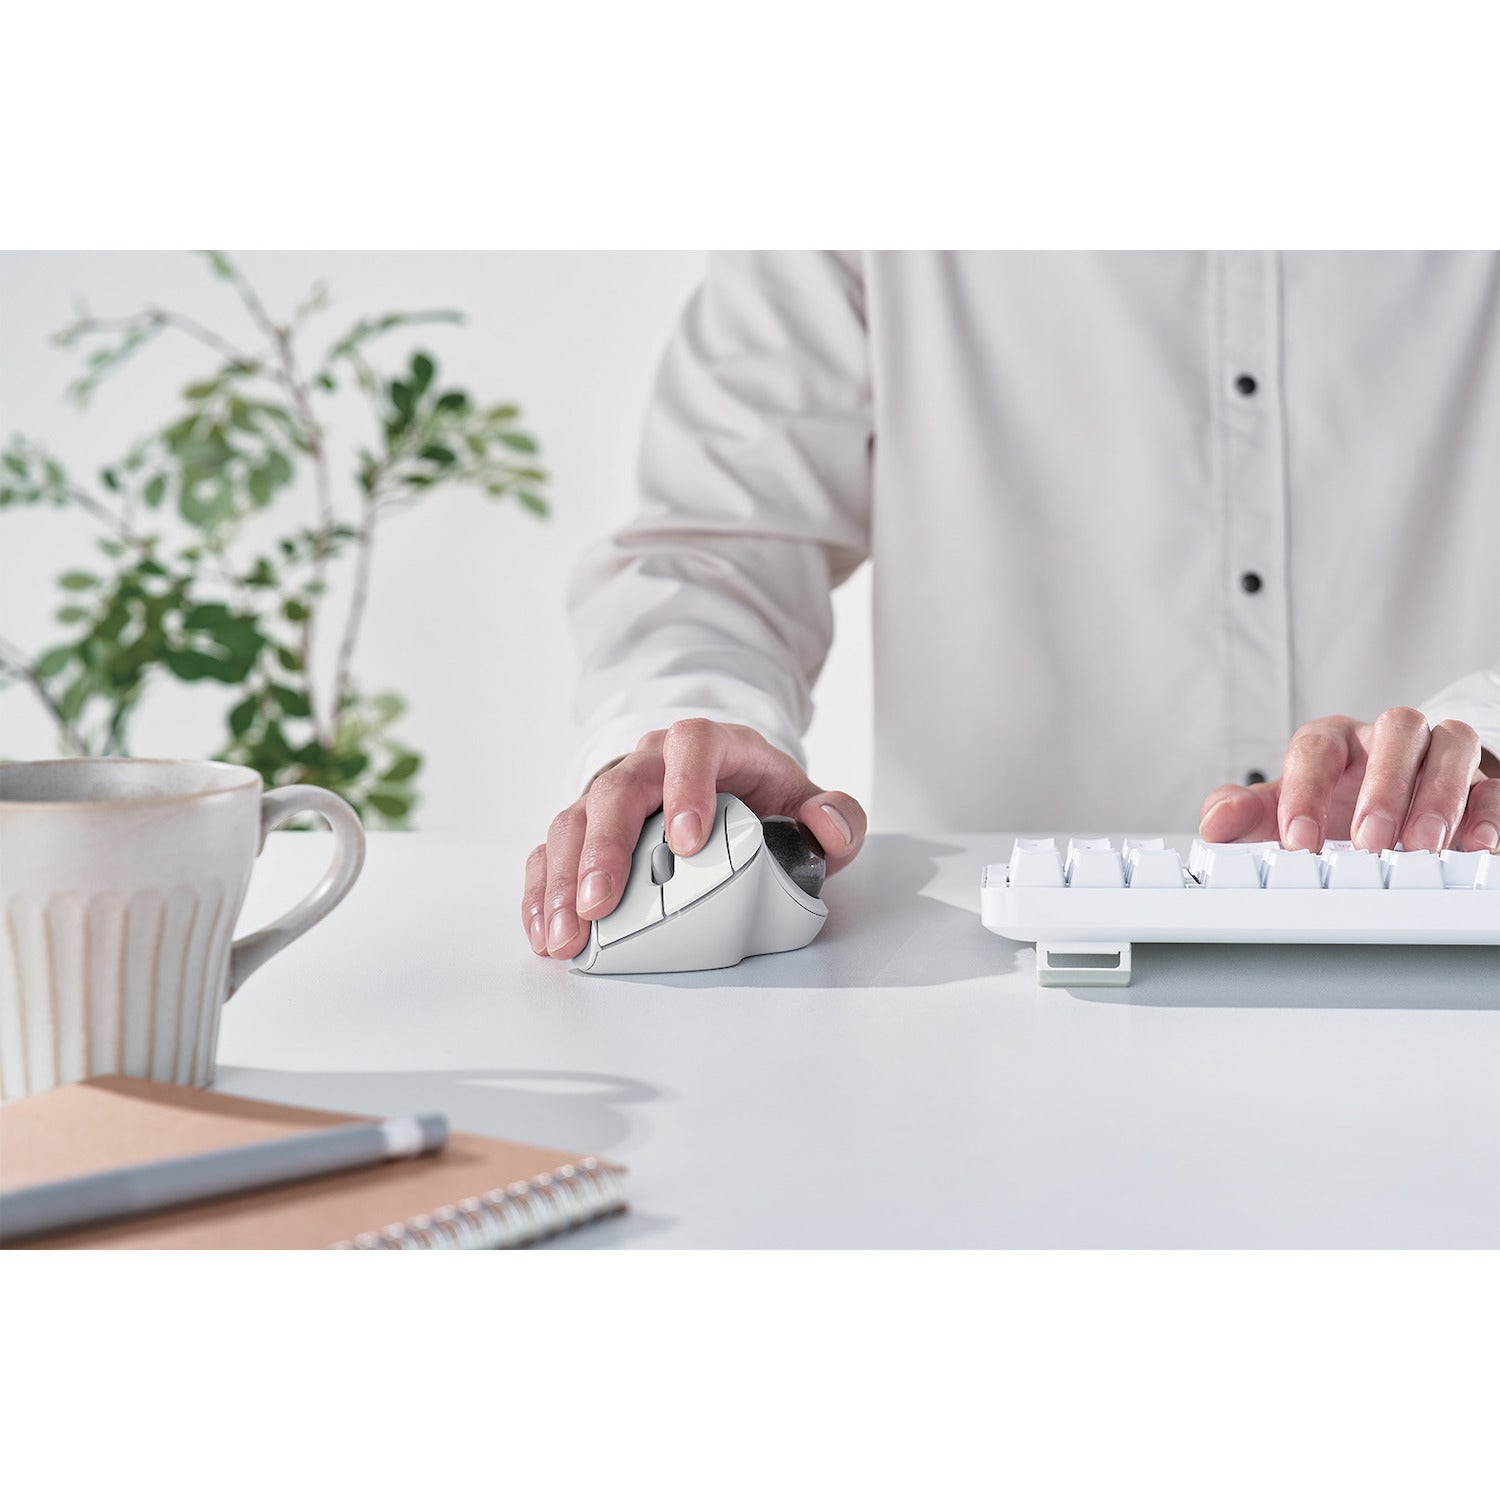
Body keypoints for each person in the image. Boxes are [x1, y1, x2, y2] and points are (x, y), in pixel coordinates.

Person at [524, 252, 1500, 961]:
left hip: (1455, 956)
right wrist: (686, 734)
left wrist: (1481, 742)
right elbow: (718, 545)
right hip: (983, 982)